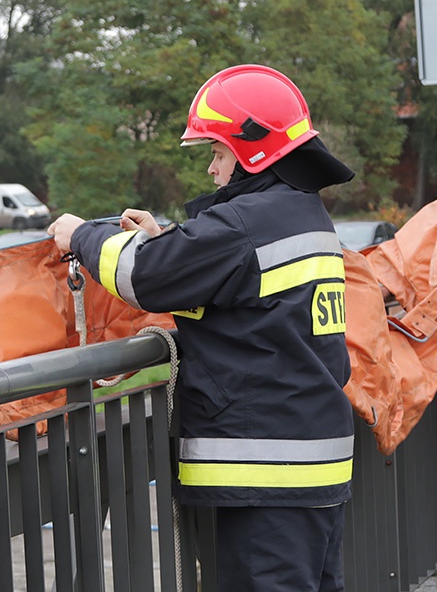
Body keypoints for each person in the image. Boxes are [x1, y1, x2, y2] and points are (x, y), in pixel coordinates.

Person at [48, 64, 356, 592]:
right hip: (309, 463)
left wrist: (81, 234)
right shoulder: (301, 213)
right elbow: (238, 289)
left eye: (217, 153)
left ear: (253, 149)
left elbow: (144, 275)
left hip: (268, 473)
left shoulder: (246, 222)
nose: (212, 170)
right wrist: (166, 237)